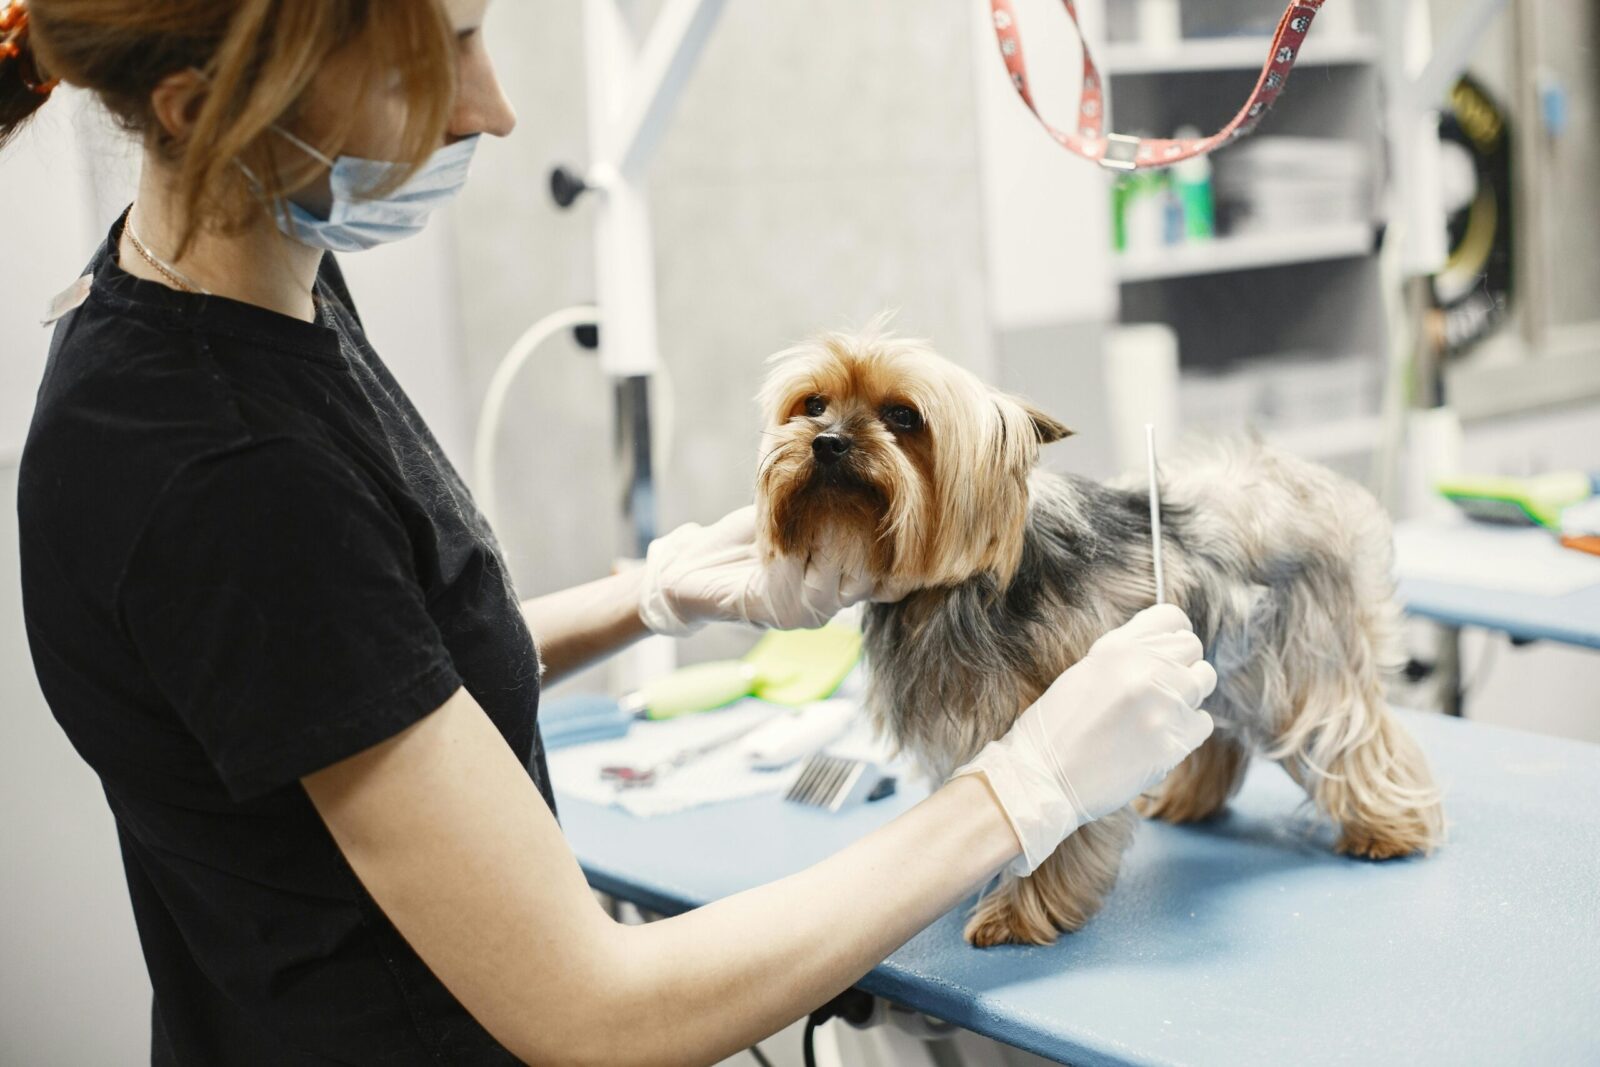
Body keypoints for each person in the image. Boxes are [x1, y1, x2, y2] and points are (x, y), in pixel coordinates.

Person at [4, 1, 1217, 1063]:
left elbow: (361, 675)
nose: (494, 109)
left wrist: (652, 597)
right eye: (438, 58)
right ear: (208, 107)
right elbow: (595, 1013)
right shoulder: (223, 467)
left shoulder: (246, 289)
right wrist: (1020, 788)